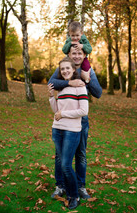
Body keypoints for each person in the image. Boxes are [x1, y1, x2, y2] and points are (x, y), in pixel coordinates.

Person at [48, 46, 102, 200]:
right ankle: (61, 186)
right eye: (74, 53)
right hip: (62, 123)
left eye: (80, 53)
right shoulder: (64, 69)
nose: (77, 56)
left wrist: (86, 79)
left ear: (84, 55)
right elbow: (52, 83)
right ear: (69, 55)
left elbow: (97, 93)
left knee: (81, 154)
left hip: (80, 121)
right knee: (60, 156)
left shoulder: (88, 70)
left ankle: (80, 187)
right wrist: (69, 83)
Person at [48, 56, 89, 210]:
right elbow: (56, 111)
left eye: (67, 68)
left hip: (72, 130)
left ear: (73, 70)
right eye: (62, 69)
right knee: (61, 161)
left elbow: (84, 111)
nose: (65, 71)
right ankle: (64, 189)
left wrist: (63, 114)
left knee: (66, 165)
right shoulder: (62, 88)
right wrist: (52, 97)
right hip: (57, 129)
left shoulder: (80, 87)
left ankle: (74, 195)